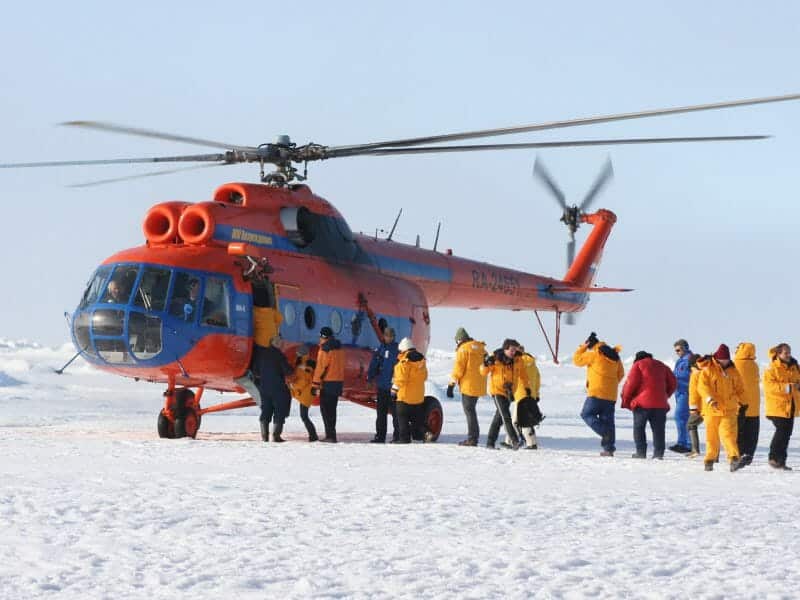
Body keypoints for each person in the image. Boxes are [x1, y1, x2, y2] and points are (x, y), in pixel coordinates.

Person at [573, 332, 625, 456]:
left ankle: (604, 432)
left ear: (591, 344)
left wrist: (583, 347)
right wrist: (611, 383)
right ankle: (609, 449)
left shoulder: (595, 354)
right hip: (611, 395)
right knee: (608, 421)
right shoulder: (615, 356)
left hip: (596, 392)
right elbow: (621, 374)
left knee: (586, 414)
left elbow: (577, 360)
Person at [620, 350, 677, 459]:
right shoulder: (662, 365)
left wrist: (626, 400)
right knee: (659, 430)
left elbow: (630, 384)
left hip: (642, 405)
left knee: (639, 428)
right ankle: (658, 454)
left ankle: (641, 453)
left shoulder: (638, 365)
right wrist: (664, 395)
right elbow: (673, 383)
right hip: (660, 405)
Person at [698, 344, 744, 472]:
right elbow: (702, 387)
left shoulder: (734, 372)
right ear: (717, 358)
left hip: (729, 409)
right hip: (711, 409)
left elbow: (740, 389)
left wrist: (742, 403)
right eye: (722, 359)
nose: (725, 361)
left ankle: (734, 458)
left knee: (728, 435)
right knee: (711, 437)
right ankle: (709, 460)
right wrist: (709, 399)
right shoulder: (708, 370)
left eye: (727, 359)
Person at [480, 338, 529, 450]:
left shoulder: (518, 359)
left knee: (499, 419)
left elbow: (523, 374)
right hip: (497, 391)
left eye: (515, 350)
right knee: (506, 416)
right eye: (511, 350)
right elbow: (483, 372)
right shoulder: (495, 359)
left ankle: (490, 443)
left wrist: (527, 387)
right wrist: (486, 363)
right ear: (505, 349)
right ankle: (515, 441)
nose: (513, 352)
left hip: (510, 392)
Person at [447, 327, 488, 447]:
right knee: (471, 411)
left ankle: (472, 438)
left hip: (468, 385)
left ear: (459, 340)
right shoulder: (481, 348)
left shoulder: (463, 349)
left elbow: (458, 369)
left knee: (469, 411)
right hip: (480, 385)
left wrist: (451, 385)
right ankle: (473, 436)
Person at [762, 343, 800, 470]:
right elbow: (769, 386)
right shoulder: (772, 368)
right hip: (777, 406)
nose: (788, 355)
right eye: (785, 352)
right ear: (778, 354)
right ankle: (773, 458)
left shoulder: (795, 367)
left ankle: (781, 461)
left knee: (786, 434)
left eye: (789, 352)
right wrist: (788, 387)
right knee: (782, 431)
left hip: (791, 405)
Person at [253, 335, 293, 442]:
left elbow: (256, 371)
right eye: (279, 341)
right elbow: (288, 371)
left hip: (264, 387)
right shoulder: (279, 355)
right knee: (279, 411)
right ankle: (276, 436)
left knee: (266, 409)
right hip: (278, 387)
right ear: (275, 342)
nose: (281, 343)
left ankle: (264, 436)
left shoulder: (262, 355)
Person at [504, 344, 544, 449]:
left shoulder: (518, 362)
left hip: (521, 394)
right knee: (524, 419)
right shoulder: (532, 363)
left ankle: (513, 442)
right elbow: (538, 380)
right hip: (531, 395)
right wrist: (536, 395)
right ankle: (528, 442)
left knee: (516, 420)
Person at [391, 337, 429, 443]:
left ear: (403, 349)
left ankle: (404, 438)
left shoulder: (403, 362)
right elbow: (425, 377)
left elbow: (400, 379)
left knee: (402, 418)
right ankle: (423, 433)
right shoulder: (422, 361)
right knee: (416, 420)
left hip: (404, 397)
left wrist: (394, 390)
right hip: (418, 397)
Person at [367, 327, 400, 443]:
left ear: (393, 336)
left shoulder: (397, 350)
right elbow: (374, 364)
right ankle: (380, 436)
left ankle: (398, 436)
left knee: (396, 414)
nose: (388, 337)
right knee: (381, 414)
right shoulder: (381, 348)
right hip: (382, 386)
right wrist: (370, 378)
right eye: (386, 335)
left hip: (393, 388)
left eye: (390, 336)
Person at [312, 326, 345, 443]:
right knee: (332, 410)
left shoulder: (324, 349)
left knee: (325, 411)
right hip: (337, 383)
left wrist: (315, 384)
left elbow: (320, 368)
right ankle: (332, 435)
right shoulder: (340, 349)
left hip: (327, 384)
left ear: (323, 336)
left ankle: (330, 436)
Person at [733, 342, 760, 466]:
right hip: (754, 407)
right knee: (752, 433)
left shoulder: (735, 365)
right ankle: (749, 454)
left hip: (739, 406)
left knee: (738, 433)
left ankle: (739, 454)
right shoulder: (755, 366)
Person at [669, 339, 694, 454]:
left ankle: (688, 444)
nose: (677, 352)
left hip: (686, 392)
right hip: (679, 392)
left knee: (681, 416)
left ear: (685, 348)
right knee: (681, 418)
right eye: (675, 351)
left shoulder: (690, 360)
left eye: (678, 350)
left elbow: (691, 376)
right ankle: (682, 442)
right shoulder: (680, 361)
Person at [290, 345, 319, 442]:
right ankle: (313, 435)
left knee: (304, 416)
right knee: (304, 416)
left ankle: (313, 435)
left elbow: (304, 380)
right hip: (305, 393)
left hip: (306, 393)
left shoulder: (305, 365)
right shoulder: (305, 363)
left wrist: (294, 386)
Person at [686, 354, 711, 458]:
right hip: (709, 405)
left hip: (700, 407)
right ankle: (715, 455)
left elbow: (694, 393)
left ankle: (695, 449)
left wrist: (693, 408)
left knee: (690, 425)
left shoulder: (695, 374)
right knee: (712, 430)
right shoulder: (707, 372)